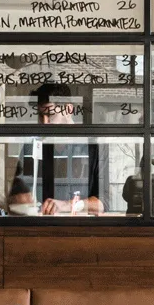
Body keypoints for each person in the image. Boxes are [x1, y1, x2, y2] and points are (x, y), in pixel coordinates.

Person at [7, 83, 106, 215]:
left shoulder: (93, 146)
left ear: (68, 109)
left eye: (50, 114)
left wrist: (67, 205)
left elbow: (103, 203)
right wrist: (18, 198)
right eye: (40, 116)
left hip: (79, 229)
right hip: (37, 228)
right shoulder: (32, 146)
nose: (45, 123)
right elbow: (17, 189)